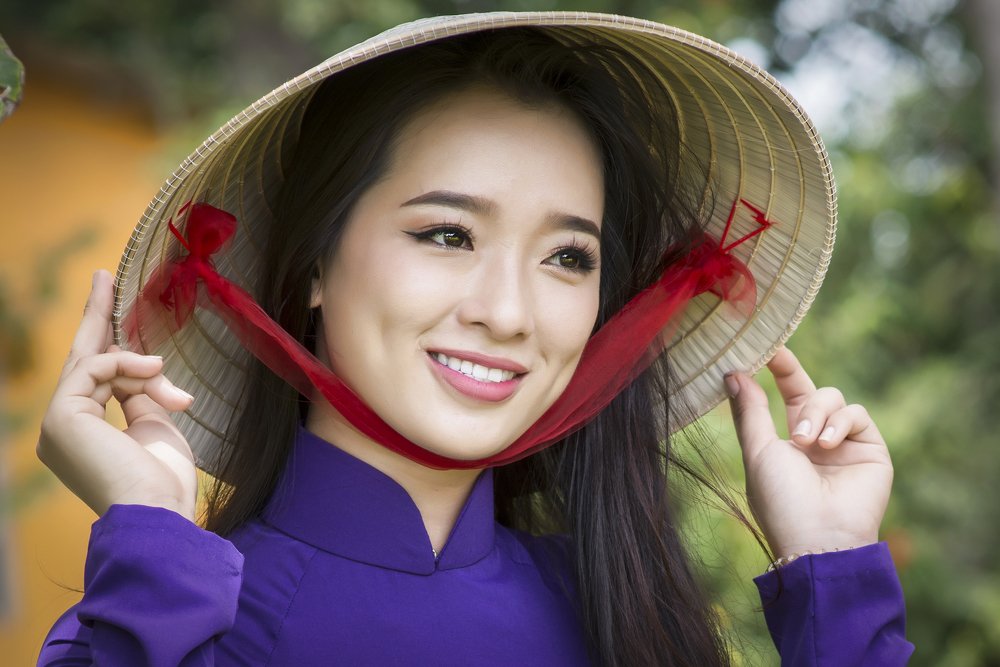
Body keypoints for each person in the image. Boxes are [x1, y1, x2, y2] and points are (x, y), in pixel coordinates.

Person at [35, 13, 912, 666]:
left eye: (569, 256)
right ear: (313, 264)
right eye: (448, 234)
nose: (509, 311)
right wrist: (151, 533)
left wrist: (832, 575)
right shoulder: (175, 626)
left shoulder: (628, 620)